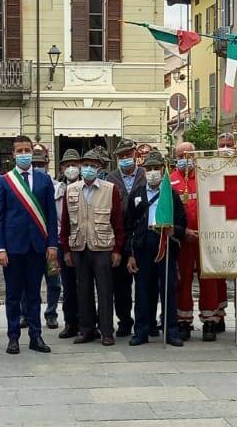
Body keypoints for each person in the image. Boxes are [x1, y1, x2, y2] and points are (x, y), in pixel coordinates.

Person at [0, 135, 59, 354]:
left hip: (38, 246)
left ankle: (36, 336)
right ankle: (13, 337)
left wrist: (53, 245)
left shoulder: (44, 180)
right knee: (12, 295)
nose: (23, 154)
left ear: (32, 152)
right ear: (13, 155)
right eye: (19, 151)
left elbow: (50, 214)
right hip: (13, 247)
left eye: (26, 150)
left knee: (34, 294)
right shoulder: (4, 180)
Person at [61, 147, 126, 346]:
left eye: (92, 165)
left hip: (103, 247)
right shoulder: (71, 189)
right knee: (83, 290)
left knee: (105, 290)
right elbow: (65, 222)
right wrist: (66, 249)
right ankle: (86, 329)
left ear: (99, 168)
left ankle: (106, 331)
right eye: (85, 165)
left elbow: (118, 222)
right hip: (79, 246)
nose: (88, 168)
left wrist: (117, 250)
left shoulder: (110, 189)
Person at [125, 150, 186, 346]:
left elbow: (183, 224)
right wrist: (130, 255)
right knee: (141, 291)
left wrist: (173, 230)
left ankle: (171, 331)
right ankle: (141, 331)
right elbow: (129, 226)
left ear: (163, 170)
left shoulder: (171, 195)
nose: (152, 172)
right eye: (149, 169)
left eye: (156, 168)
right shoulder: (137, 194)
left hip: (165, 245)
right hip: (143, 246)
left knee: (168, 290)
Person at [169, 142, 227, 341]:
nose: (186, 159)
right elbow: (169, 212)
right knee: (182, 281)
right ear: (175, 157)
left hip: (207, 239)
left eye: (189, 155)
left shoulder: (207, 177)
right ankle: (184, 321)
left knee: (209, 280)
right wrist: (182, 231)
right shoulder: (171, 180)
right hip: (183, 240)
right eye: (181, 155)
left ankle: (210, 321)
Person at [107, 139, 143, 336]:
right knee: (121, 285)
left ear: (135, 154)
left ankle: (146, 321)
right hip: (119, 237)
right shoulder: (110, 179)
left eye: (128, 155)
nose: (125, 159)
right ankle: (124, 321)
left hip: (143, 236)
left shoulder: (146, 175)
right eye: (121, 156)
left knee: (146, 284)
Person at [32, 143, 64, 332]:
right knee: (30, 282)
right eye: (34, 164)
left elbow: (59, 217)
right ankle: (28, 314)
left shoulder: (56, 187)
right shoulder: (25, 186)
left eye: (40, 164)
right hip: (31, 244)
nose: (37, 167)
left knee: (53, 281)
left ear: (47, 163)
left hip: (51, 243)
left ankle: (51, 314)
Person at [53, 149, 84, 338]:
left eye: (75, 164)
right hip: (63, 243)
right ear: (62, 168)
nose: (71, 168)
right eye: (67, 165)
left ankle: (87, 322)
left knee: (86, 285)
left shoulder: (86, 187)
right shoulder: (57, 190)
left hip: (84, 242)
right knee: (68, 285)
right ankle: (70, 323)